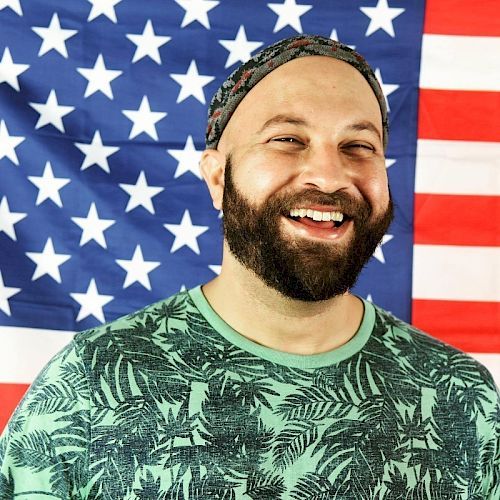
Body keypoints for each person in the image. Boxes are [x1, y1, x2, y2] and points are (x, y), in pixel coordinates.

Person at [0, 35, 498, 499]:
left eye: (358, 146)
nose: (328, 175)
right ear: (218, 177)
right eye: (287, 139)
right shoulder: (88, 384)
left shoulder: (462, 397)